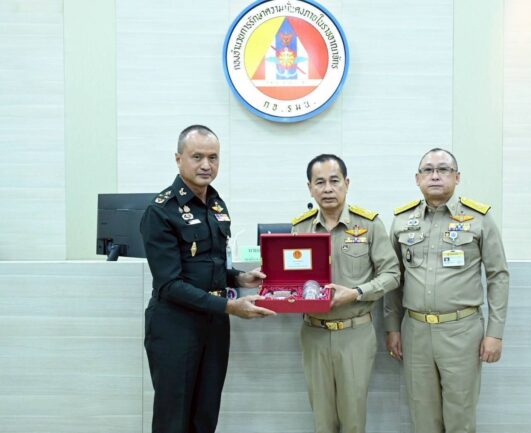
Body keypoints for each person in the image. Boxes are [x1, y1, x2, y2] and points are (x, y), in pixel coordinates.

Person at [140, 125, 276, 433]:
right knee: (173, 420)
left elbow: (208, 266)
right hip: (175, 326)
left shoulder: (216, 205)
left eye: (213, 157)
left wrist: (240, 277)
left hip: (213, 326)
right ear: (179, 159)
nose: (206, 165)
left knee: (205, 416)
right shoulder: (160, 211)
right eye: (197, 157)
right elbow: (170, 285)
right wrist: (230, 307)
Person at [384, 148, 509, 433]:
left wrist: (495, 333)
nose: (435, 176)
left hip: (462, 332)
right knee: (422, 416)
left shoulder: (479, 219)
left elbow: (498, 275)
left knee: (459, 416)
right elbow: (394, 280)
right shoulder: (402, 221)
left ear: (457, 177)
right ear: (417, 179)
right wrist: (392, 327)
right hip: (415, 332)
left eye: (443, 169)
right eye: (428, 170)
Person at [291, 154, 400, 433]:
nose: (328, 189)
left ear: (347, 183)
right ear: (310, 188)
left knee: (352, 419)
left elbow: (392, 274)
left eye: (334, 181)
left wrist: (356, 293)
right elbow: (292, 278)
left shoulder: (369, 224)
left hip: (355, 334)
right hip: (314, 332)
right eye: (320, 182)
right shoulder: (300, 228)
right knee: (322, 420)